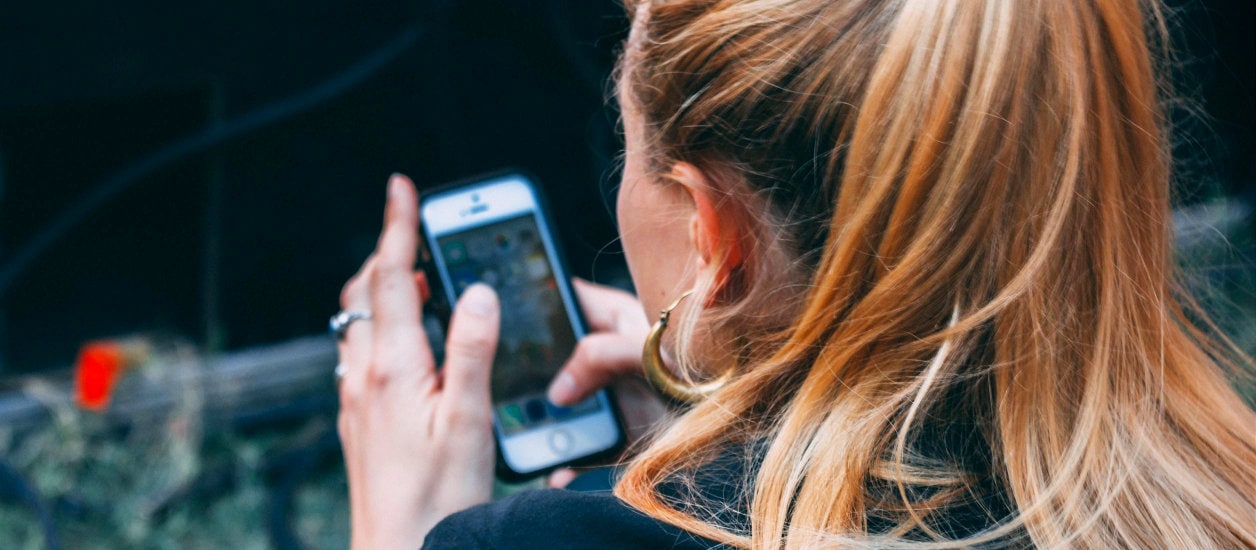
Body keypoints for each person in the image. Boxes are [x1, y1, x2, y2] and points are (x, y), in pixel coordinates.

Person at [332, 0, 1256, 547]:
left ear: (714, 235)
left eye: (631, 145)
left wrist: (410, 530)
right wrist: (709, 442)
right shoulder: (1223, 493)